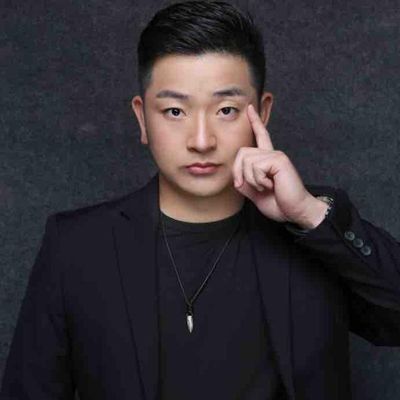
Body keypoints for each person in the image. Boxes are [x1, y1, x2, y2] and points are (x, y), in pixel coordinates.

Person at [1, 1, 400, 399]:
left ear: (262, 113)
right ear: (142, 118)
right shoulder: (76, 247)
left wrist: (308, 214)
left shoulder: (315, 233)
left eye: (226, 110)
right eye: (175, 111)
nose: (202, 140)